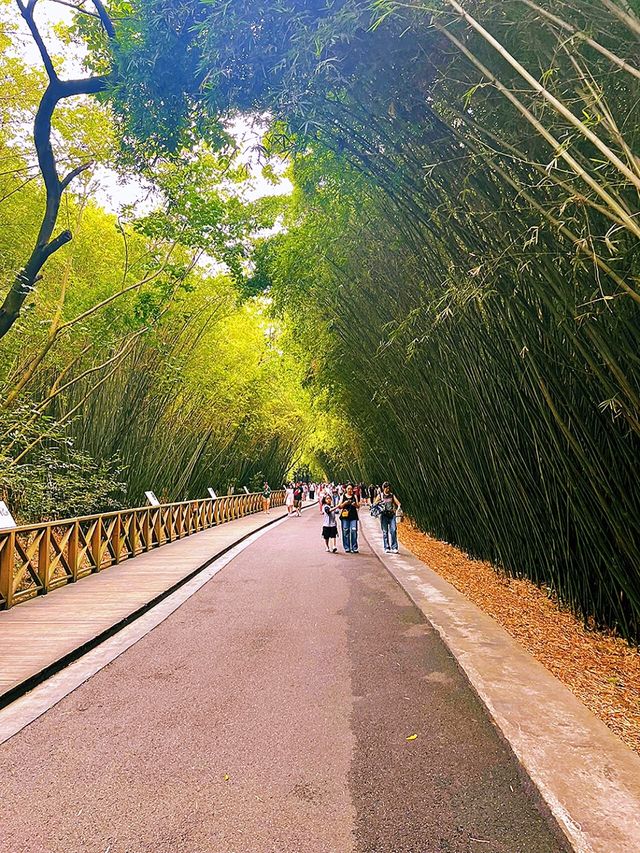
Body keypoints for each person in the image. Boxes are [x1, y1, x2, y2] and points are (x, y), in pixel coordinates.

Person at [376, 482, 401, 554]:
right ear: (383, 488)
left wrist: (398, 508)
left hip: (391, 515)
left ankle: (394, 547)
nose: (388, 489)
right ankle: (386, 547)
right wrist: (380, 504)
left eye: (389, 488)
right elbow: (375, 503)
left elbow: (398, 503)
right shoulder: (380, 495)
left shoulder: (392, 495)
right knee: (385, 532)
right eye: (386, 488)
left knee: (393, 530)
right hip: (384, 515)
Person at [335, 483, 360, 553]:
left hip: (353, 516)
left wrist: (355, 504)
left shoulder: (354, 496)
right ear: (346, 489)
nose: (349, 490)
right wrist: (345, 503)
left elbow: (358, 506)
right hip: (345, 516)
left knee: (353, 530)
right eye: (348, 488)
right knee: (345, 531)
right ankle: (347, 547)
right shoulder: (343, 496)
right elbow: (339, 506)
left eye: (351, 489)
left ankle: (354, 547)